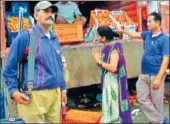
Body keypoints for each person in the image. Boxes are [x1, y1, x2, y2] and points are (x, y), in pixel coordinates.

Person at [3, 1, 67, 123]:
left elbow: (59, 66)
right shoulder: (26, 37)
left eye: (52, 12)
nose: (50, 14)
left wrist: (63, 88)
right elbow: (9, 68)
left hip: (55, 94)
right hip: (33, 97)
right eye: (46, 11)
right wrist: (14, 91)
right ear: (36, 15)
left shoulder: (54, 38)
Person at [114, 12, 169, 123]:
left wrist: (159, 78)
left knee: (157, 103)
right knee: (142, 99)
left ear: (157, 22)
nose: (147, 23)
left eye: (150, 21)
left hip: (155, 74)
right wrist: (123, 30)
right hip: (144, 73)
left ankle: (157, 121)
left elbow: (166, 60)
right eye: (147, 21)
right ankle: (160, 120)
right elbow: (135, 34)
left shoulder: (165, 38)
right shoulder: (147, 34)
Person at [92, 26, 133, 123]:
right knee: (109, 103)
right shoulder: (107, 47)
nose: (97, 37)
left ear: (104, 38)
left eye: (98, 36)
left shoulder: (114, 49)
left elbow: (113, 67)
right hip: (108, 81)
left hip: (114, 82)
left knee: (114, 105)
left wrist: (98, 60)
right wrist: (99, 60)